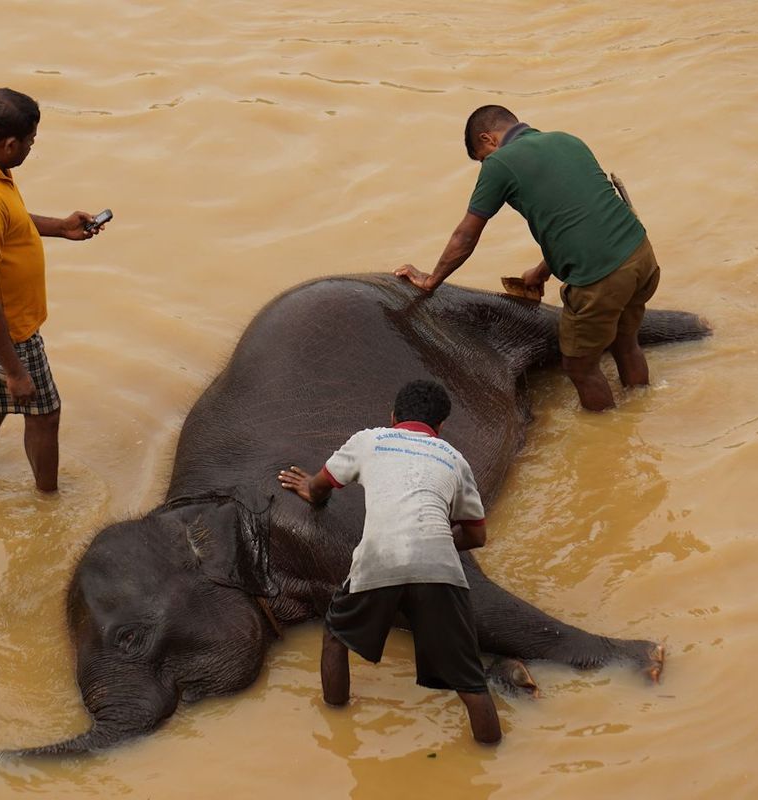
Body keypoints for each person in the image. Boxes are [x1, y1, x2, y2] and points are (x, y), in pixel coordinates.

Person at [394, 105, 661, 412]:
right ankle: (643, 410)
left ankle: (611, 436)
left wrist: (430, 280)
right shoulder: (566, 140)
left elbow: (465, 236)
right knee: (626, 342)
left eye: (482, 156)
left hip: (600, 276)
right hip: (640, 254)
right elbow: (580, 218)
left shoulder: (499, 164)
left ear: (489, 139)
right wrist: (541, 271)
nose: (486, 163)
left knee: (579, 367)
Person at [277, 380, 501, 744]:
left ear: (393, 415)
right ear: (440, 427)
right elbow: (477, 536)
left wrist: (310, 492)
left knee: (335, 637)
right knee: (471, 681)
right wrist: (436, 542)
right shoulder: (454, 459)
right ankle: (492, 757)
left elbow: (321, 486)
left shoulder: (370, 440)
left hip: (380, 559)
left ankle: (338, 727)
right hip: (441, 569)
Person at [0, 87, 106, 491]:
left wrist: (60, 228)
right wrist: (14, 369)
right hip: (7, 327)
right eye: (30, 141)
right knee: (44, 412)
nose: (31, 147)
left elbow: (6, 222)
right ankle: (49, 501)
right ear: (10, 143)